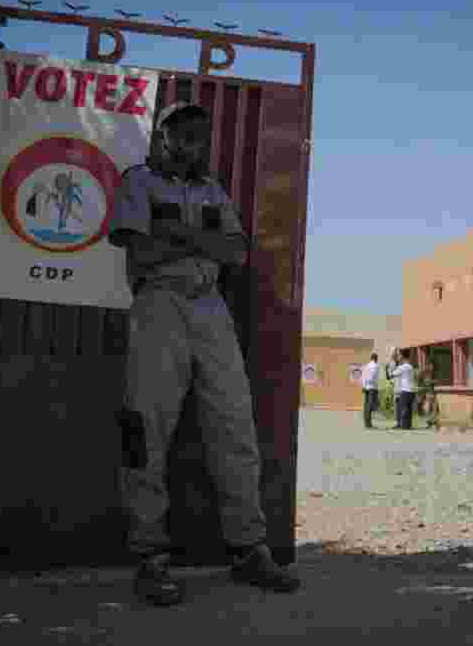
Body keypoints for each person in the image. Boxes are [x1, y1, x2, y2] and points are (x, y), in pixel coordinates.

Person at [109, 101, 300, 606]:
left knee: (235, 426)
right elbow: (141, 252)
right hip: (158, 303)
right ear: (163, 136)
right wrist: (203, 243)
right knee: (145, 428)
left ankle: (248, 549)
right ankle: (150, 557)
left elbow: (235, 254)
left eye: (200, 136)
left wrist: (177, 233)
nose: (193, 144)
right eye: (183, 134)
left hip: (210, 308)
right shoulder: (138, 182)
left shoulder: (212, 190)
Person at [389, 349, 416, 430]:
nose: (399, 356)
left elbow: (391, 375)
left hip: (405, 390)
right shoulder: (410, 366)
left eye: (399, 355)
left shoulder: (402, 367)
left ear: (402, 356)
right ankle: (408, 425)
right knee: (409, 409)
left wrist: (390, 368)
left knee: (404, 409)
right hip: (412, 390)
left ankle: (404, 426)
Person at [361, 353, 379, 429]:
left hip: (366, 387)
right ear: (376, 359)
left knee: (366, 405)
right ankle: (369, 424)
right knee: (370, 405)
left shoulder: (366, 365)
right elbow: (373, 376)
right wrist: (370, 382)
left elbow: (363, 376)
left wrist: (364, 385)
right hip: (372, 387)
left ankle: (367, 423)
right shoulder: (375, 366)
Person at [385, 349, 402, 429]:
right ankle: (399, 422)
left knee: (400, 406)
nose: (396, 356)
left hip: (400, 387)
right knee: (397, 406)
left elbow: (389, 376)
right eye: (395, 354)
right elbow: (389, 377)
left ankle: (400, 423)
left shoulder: (398, 364)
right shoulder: (392, 364)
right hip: (396, 387)